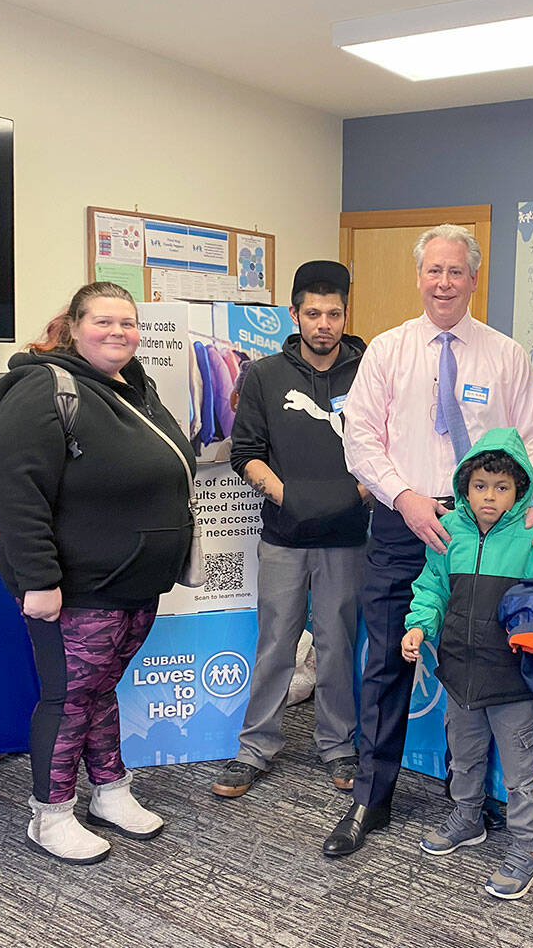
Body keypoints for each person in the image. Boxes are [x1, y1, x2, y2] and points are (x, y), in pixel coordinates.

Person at [323, 223, 533, 858]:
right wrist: (402, 496)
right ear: (419, 276)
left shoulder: (506, 354)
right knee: (385, 659)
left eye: (456, 271)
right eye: (434, 270)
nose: (444, 282)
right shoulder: (387, 350)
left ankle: (474, 802)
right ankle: (370, 799)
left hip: (486, 531)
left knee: (488, 664)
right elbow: (360, 438)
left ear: (474, 278)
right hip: (405, 523)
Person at [0, 281, 195, 865]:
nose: (118, 333)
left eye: (127, 323)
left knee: (101, 689)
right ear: (74, 326)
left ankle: (109, 791)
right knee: (69, 695)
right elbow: (18, 493)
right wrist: (38, 580)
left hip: (132, 580)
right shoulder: (44, 387)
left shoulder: (136, 388)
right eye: (103, 322)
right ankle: (49, 816)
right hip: (74, 585)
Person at [400, 428, 533, 898]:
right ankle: (467, 818)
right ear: (464, 487)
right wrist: (418, 625)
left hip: (512, 683)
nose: (490, 497)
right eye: (480, 486)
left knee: (520, 770)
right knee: (464, 758)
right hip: (460, 677)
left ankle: (528, 851)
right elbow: (431, 588)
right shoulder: (449, 535)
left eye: (502, 487)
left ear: (520, 489)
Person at [212, 260, 369, 799]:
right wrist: (294, 500)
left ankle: (338, 744)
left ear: (345, 314)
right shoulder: (264, 375)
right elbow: (246, 454)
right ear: (295, 315)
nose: (323, 323)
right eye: (312, 313)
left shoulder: (370, 370)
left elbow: (387, 446)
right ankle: (255, 748)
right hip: (283, 535)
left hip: (350, 535)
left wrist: (356, 495)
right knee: (276, 643)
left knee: (337, 644)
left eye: (333, 313)